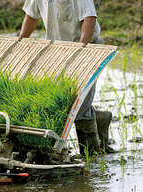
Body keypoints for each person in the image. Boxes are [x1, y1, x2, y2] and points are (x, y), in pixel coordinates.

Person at [18, 0, 115, 155]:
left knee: (80, 104)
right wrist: (21, 41)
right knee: (62, 99)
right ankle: (100, 119)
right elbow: (31, 15)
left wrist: (80, 50)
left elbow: (89, 18)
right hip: (58, 51)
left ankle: (91, 155)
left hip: (86, 48)